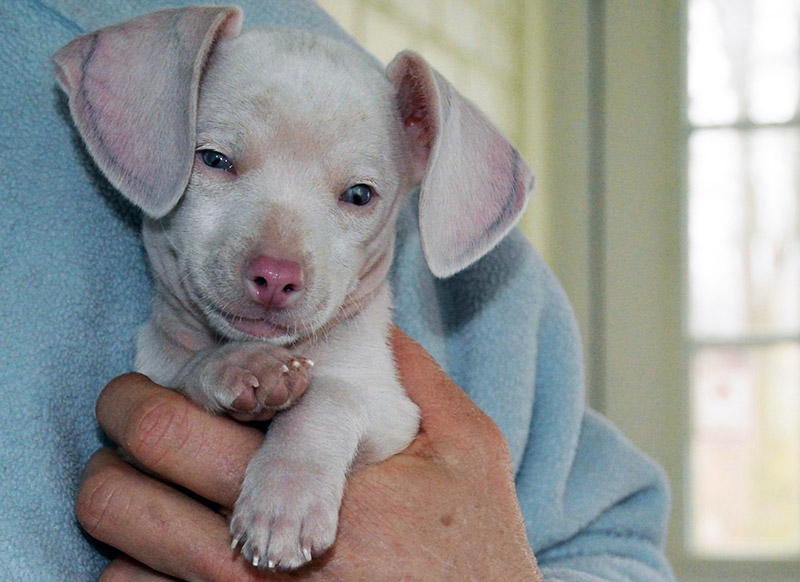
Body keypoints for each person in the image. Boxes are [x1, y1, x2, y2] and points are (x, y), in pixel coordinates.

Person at [0, 0, 675, 580]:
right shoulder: (177, 61)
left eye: (356, 196)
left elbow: (614, 545)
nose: (278, 265)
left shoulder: (485, 315)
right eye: (219, 160)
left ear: (422, 155)